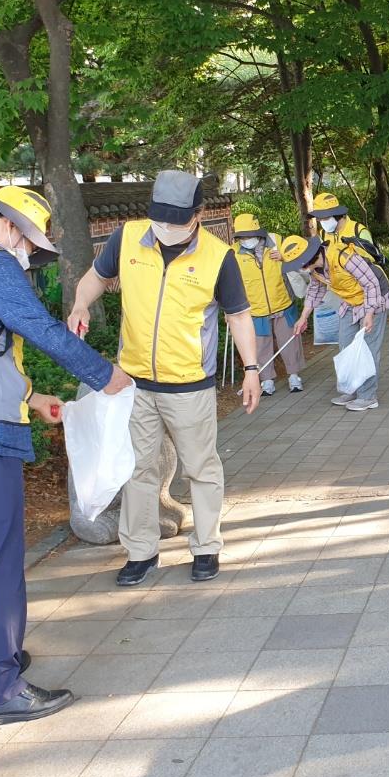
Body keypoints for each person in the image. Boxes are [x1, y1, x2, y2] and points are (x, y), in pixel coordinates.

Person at [0, 186, 133, 727]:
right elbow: (40, 329)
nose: (29, 256)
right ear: (11, 228)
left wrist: (30, 397)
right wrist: (105, 375)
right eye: (31, 246)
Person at [68, 171, 261, 589]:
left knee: (201, 468)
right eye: (161, 219)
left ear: (198, 215)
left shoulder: (218, 256)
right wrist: (81, 304)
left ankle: (206, 546)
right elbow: (97, 278)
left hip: (190, 384)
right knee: (138, 470)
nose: (167, 228)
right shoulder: (127, 238)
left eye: (177, 221)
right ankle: (141, 551)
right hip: (134, 382)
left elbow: (239, 316)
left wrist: (250, 369)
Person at [286, 231, 389, 410]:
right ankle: (351, 389)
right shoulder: (315, 270)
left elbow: (371, 284)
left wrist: (369, 314)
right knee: (346, 345)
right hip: (350, 301)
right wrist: (303, 317)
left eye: (298, 264)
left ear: (308, 258)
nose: (298, 268)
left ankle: (368, 397)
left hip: (373, 300)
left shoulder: (343, 256)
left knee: (367, 349)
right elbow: (314, 291)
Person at [232, 213, 305, 395]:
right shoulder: (234, 253)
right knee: (260, 346)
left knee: (289, 341)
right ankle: (266, 381)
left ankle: (294, 376)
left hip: (282, 302)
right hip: (256, 308)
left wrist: (284, 257)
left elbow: (299, 259)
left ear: (257, 232)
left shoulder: (277, 241)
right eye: (242, 237)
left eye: (248, 235)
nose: (245, 240)